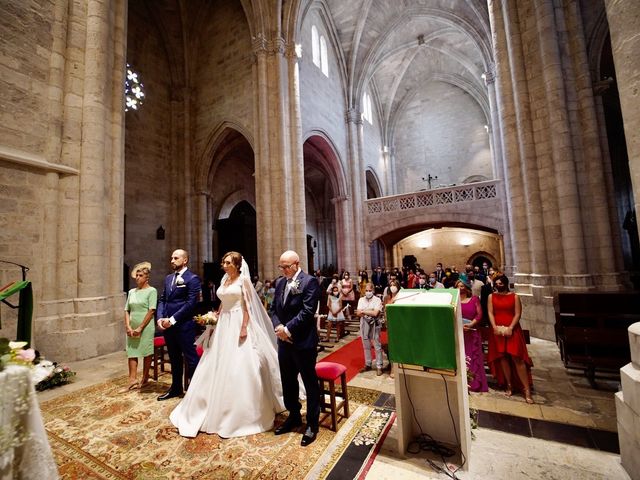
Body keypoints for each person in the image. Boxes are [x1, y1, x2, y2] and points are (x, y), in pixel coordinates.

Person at [170, 252, 284, 437]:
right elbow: (222, 303)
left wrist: (244, 327)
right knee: (215, 361)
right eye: (223, 262)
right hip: (224, 323)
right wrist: (214, 317)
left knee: (240, 363)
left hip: (238, 320)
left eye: (228, 262)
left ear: (237, 265)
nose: (224, 265)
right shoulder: (224, 280)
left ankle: (242, 411)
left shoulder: (243, 281)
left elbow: (247, 305)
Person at [271, 250, 322, 447]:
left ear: (296, 264)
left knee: (309, 383)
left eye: (286, 266)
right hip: (284, 342)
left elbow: (308, 311)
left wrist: (288, 329)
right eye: (281, 266)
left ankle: (312, 423)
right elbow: (274, 308)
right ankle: (293, 415)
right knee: (288, 380)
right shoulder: (281, 282)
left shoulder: (309, 282)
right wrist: (278, 327)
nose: (283, 270)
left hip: (303, 341)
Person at [156, 249, 202, 401]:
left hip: (184, 326)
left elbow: (190, 304)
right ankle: (176, 388)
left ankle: (195, 392)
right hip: (168, 326)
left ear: (185, 260)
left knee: (191, 358)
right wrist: (160, 318)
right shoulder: (169, 278)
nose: (172, 260)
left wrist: (173, 319)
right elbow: (163, 299)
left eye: (176, 258)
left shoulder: (192, 278)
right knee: (174, 358)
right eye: (171, 258)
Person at [487, 274, 534, 404]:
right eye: (496, 283)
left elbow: (518, 313)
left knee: (517, 358)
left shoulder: (514, 296)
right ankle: (509, 384)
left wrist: (511, 327)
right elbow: (490, 312)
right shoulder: (491, 297)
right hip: (497, 330)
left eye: (501, 283)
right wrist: (494, 326)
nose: (498, 285)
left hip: (512, 329)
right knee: (503, 357)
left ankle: (526, 389)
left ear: (506, 284)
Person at [120, 261, 157, 393]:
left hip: (146, 327)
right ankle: (132, 380)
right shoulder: (131, 292)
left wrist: (141, 327)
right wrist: (128, 326)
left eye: (140, 275)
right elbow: (126, 310)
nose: (137, 278)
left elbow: (152, 310)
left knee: (146, 352)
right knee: (132, 352)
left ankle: (145, 377)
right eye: (136, 275)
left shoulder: (152, 291)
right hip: (132, 326)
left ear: (147, 278)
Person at [456, 280, 488, 392]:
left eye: (462, 286)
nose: (460, 288)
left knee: (472, 357)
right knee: (460, 356)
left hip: (471, 331)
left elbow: (479, 314)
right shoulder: (454, 300)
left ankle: (473, 382)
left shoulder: (474, 299)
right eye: (458, 286)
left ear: (467, 287)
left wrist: (471, 324)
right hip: (458, 331)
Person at [355, 282, 384, 375]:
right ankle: (368, 364)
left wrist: (363, 311)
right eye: (366, 291)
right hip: (364, 323)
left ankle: (379, 365)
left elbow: (376, 313)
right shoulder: (361, 300)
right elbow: (358, 313)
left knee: (377, 345)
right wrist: (369, 311)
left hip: (375, 324)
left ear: (373, 291)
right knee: (366, 345)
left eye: (370, 291)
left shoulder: (377, 300)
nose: (368, 292)